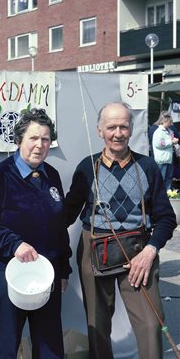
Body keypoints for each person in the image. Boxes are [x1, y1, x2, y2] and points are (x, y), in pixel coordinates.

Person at [65, 102, 177, 359]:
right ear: (99, 131)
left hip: (138, 251)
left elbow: (166, 218)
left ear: (131, 128)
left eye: (123, 126)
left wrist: (150, 251)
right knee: (97, 324)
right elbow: (67, 214)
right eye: (111, 127)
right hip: (94, 248)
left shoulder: (147, 167)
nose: (118, 133)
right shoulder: (87, 167)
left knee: (151, 324)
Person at [0, 108, 72, 359]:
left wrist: (63, 269)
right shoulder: (0, 177)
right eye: (33, 138)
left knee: (50, 346)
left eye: (46, 139)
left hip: (46, 276)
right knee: (6, 346)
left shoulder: (52, 176)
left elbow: (59, 227)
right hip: (9, 276)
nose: (39, 145)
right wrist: (14, 244)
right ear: (19, 141)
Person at [152, 113, 179, 190]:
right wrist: (171, 141)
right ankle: (159, 194)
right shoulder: (158, 132)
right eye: (169, 122)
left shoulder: (169, 131)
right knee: (161, 178)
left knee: (169, 177)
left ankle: (167, 193)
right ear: (165, 122)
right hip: (162, 159)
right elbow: (159, 144)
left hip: (169, 158)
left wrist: (174, 140)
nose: (170, 124)